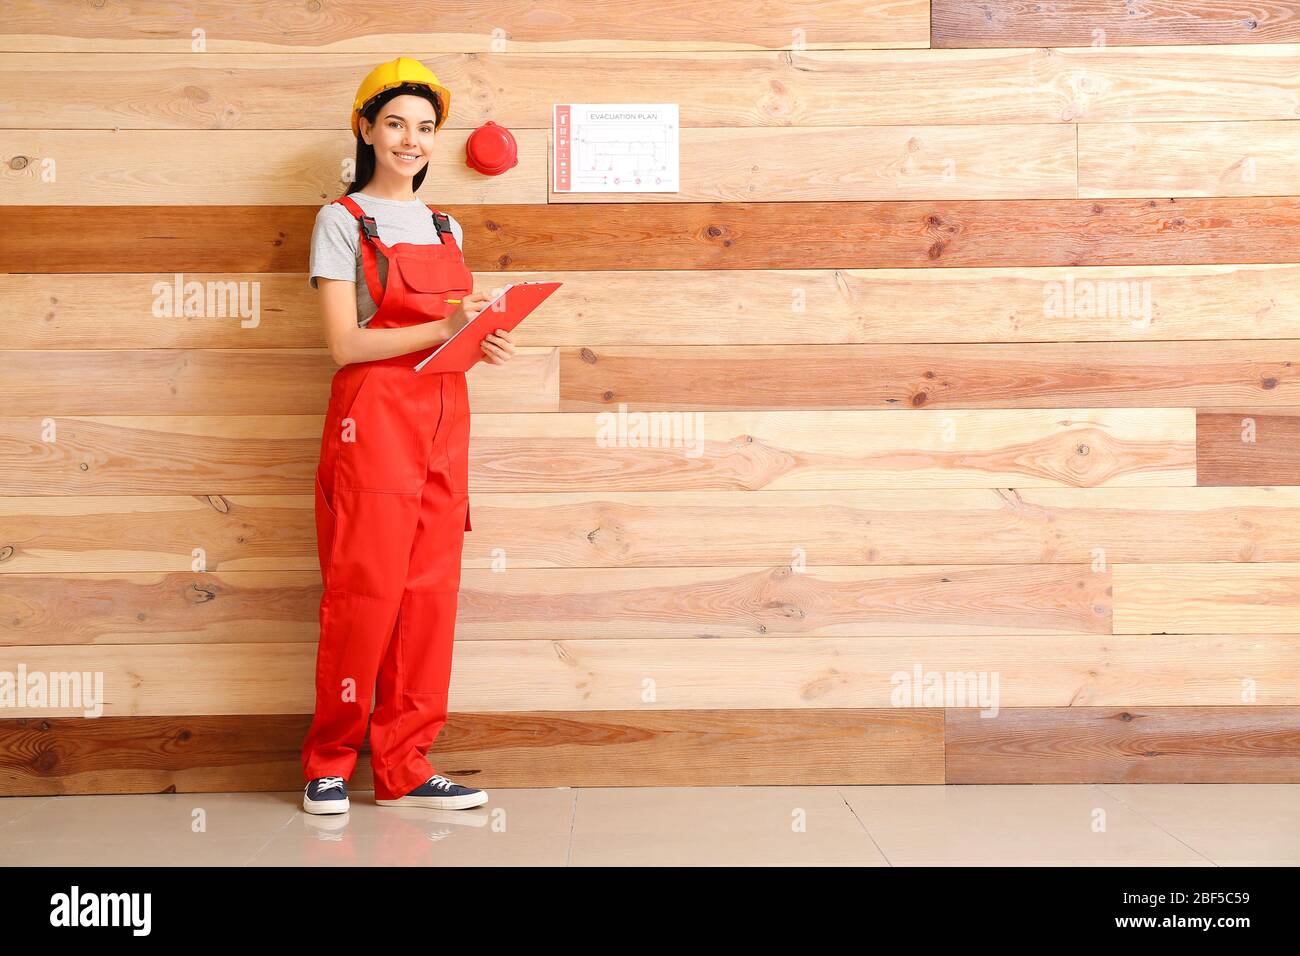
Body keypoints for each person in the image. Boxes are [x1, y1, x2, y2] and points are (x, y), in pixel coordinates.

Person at [299, 57, 515, 815]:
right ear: (366, 128)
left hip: (443, 418)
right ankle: (328, 764)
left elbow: (438, 339)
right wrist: (447, 324)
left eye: (425, 128)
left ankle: (406, 763)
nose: (411, 139)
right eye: (395, 123)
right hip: (372, 423)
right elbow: (345, 345)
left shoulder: (445, 226)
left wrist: (478, 339)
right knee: (365, 593)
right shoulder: (341, 220)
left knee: (429, 595)